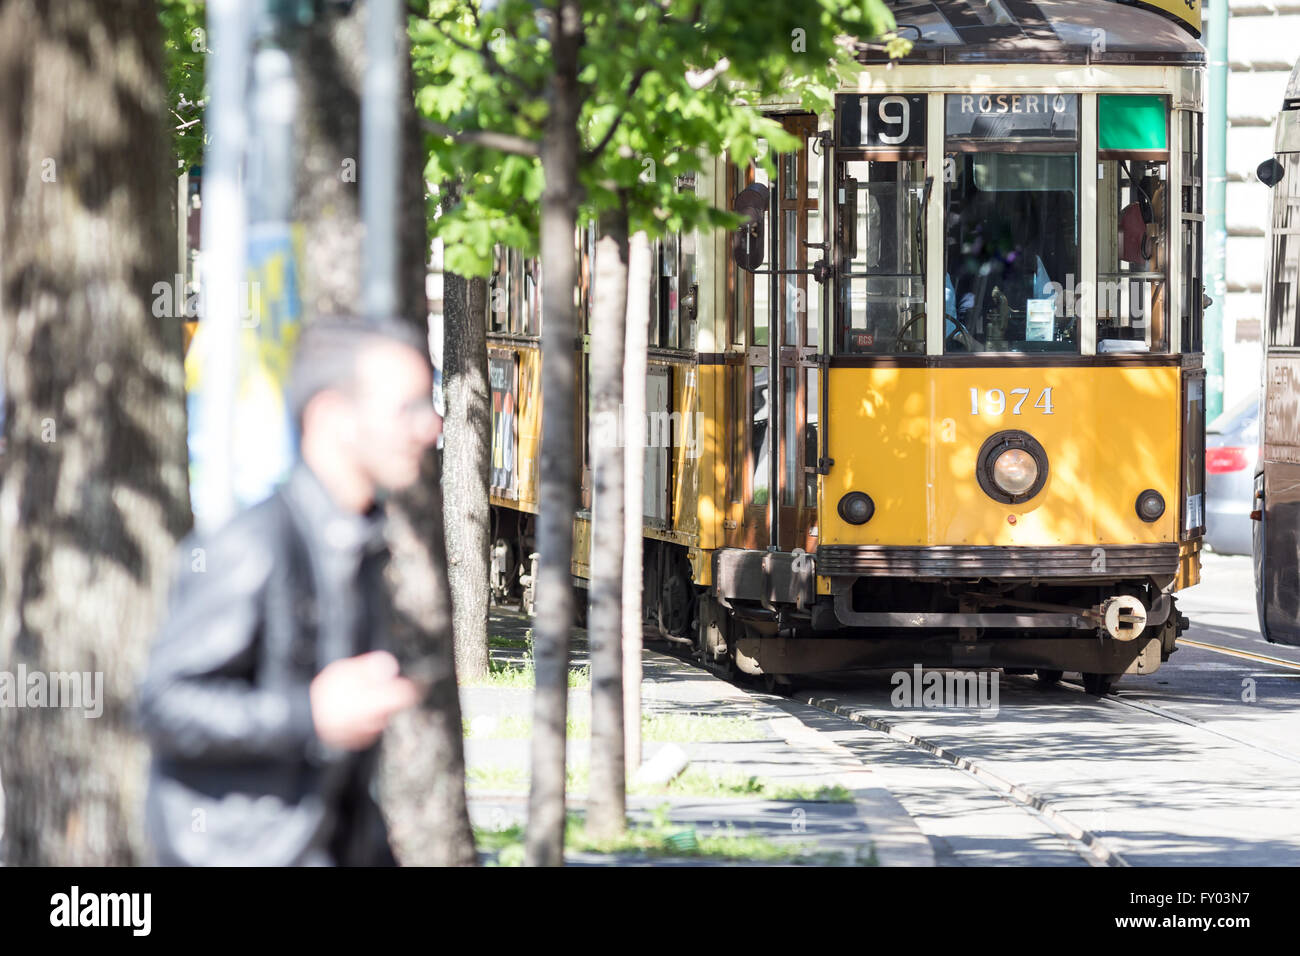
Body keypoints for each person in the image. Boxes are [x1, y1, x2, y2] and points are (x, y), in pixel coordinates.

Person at [138, 316, 442, 866]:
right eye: (409, 408)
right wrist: (309, 714)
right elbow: (164, 703)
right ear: (331, 416)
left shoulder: (359, 542)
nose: (432, 425)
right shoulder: (255, 546)